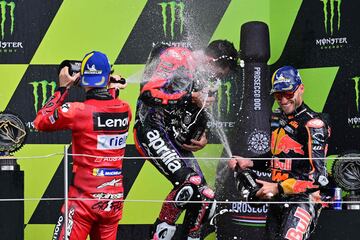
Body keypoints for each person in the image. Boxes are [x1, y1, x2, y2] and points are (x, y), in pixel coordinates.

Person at [133, 41, 235, 240]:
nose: (218, 78)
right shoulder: (177, 57)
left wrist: (203, 137)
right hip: (150, 127)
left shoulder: (207, 79)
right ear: (211, 60)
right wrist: (189, 98)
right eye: (220, 73)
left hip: (173, 137)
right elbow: (147, 94)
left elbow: (201, 115)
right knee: (189, 184)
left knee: (205, 197)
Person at [34, 51, 131, 240]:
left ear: (83, 78)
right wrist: (111, 87)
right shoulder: (125, 109)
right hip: (113, 200)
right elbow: (107, 107)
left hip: (82, 201)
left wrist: (62, 89)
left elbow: (41, 122)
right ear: (107, 77)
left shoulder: (76, 111)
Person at [229, 66, 331, 240]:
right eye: (278, 95)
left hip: (302, 201)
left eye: (288, 94)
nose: (283, 100)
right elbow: (278, 157)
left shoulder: (313, 125)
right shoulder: (277, 118)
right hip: (278, 200)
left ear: (301, 88)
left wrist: (277, 187)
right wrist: (250, 162)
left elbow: (318, 178)